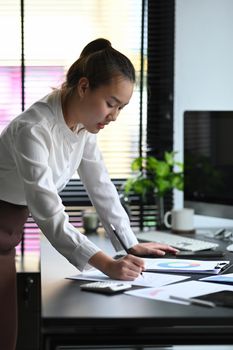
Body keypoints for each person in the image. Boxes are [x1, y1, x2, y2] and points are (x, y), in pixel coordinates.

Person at [0, 38, 178, 350]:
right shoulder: (34, 129)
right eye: (111, 103)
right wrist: (106, 264)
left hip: (8, 226)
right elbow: (48, 212)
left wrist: (130, 245)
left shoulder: (83, 128)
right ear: (84, 87)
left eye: (121, 108)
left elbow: (101, 187)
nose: (114, 116)